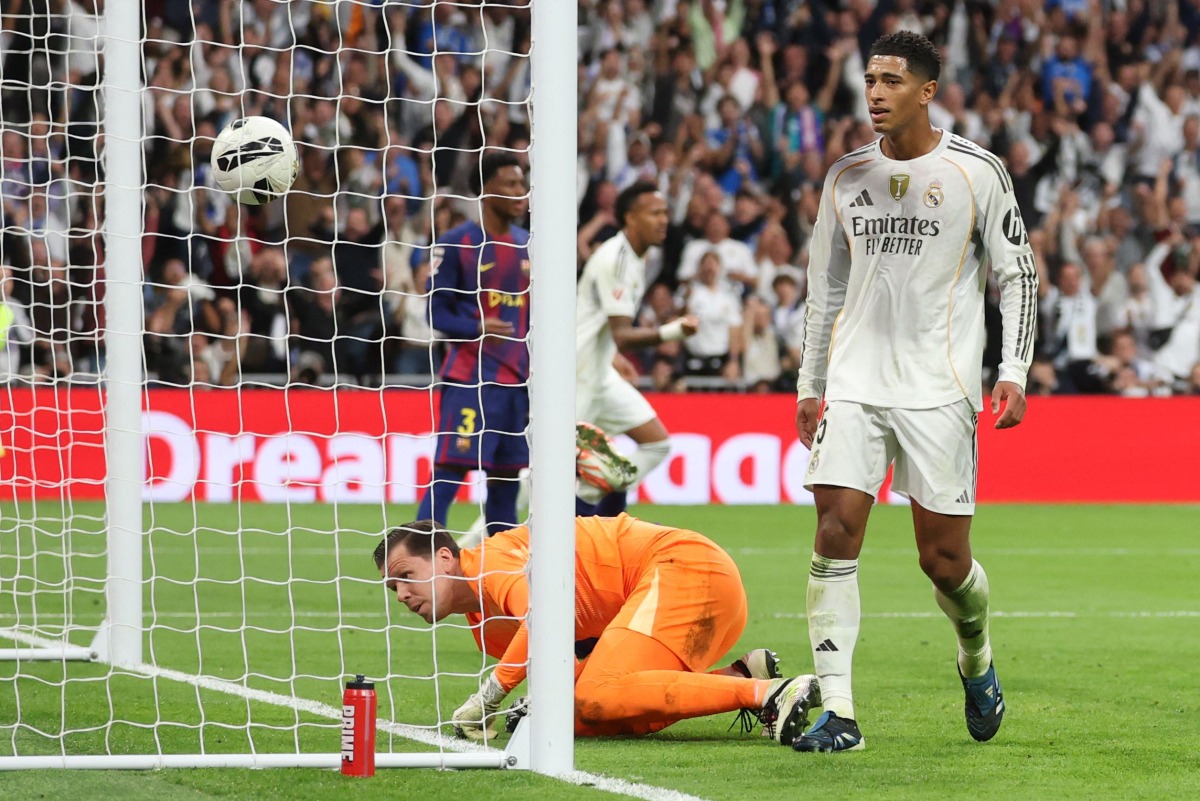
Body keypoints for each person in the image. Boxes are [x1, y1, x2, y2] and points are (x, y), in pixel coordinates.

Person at [793, 32, 1037, 753]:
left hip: (940, 386)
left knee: (945, 563)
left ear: (926, 92)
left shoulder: (977, 172)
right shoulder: (844, 177)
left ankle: (976, 652)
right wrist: (811, 382)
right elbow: (823, 287)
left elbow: (1017, 273)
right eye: (869, 78)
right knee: (835, 532)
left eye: (892, 80)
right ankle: (839, 711)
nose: (874, 92)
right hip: (856, 379)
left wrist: (1014, 369)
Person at [374, 514, 819, 743]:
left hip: (684, 568)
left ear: (447, 557)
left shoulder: (490, 561)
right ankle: (737, 678)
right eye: (393, 587)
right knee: (581, 715)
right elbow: (565, 667)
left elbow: (544, 616)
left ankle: (772, 694)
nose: (401, 595)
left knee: (596, 696)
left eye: (407, 576)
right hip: (683, 596)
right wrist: (542, 705)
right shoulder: (484, 628)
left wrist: (489, 696)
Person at [417, 153, 530, 538]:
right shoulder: (455, 243)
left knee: (506, 484)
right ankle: (421, 565)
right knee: (448, 475)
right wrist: (477, 327)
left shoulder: (529, 245)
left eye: (522, 184)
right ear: (485, 190)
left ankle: (505, 578)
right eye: (511, 184)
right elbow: (435, 314)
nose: (521, 192)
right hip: (471, 380)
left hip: (518, 384)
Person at [574, 181, 700, 515]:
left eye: (665, 213)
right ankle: (479, 546)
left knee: (657, 443)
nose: (663, 220)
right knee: (542, 477)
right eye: (654, 213)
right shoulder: (614, 258)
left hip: (600, 371)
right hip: (577, 376)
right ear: (630, 218)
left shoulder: (635, 258)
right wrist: (675, 331)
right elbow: (624, 335)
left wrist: (614, 360)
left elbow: (599, 325)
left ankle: (591, 493)